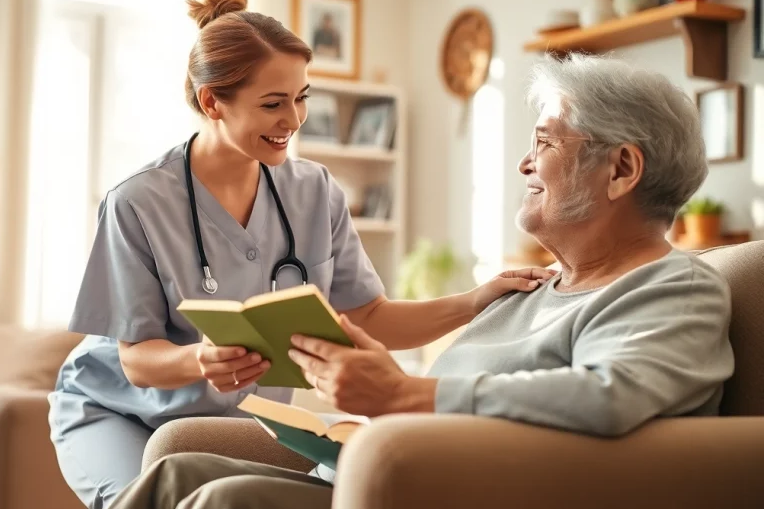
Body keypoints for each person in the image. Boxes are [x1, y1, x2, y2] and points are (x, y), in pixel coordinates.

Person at [108, 53, 737, 509]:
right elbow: (444, 400)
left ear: (622, 169)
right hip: (387, 477)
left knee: (225, 501)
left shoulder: (671, 289)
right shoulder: (530, 288)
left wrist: (404, 396)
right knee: (177, 472)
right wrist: (360, 389)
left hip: (462, 493)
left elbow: (611, 395)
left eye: (544, 142)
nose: (524, 162)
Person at [47, 0, 553, 509]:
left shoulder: (314, 192)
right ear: (211, 101)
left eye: (301, 98)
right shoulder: (138, 202)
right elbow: (136, 360)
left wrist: (475, 301)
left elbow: (370, 317)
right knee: (144, 500)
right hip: (116, 411)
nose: (293, 120)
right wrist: (202, 358)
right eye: (272, 104)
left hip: (233, 420)